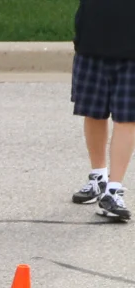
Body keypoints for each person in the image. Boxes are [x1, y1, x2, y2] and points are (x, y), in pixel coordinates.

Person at [72, 0, 135, 221]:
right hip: (92, 43)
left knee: (127, 119)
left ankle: (113, 191)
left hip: (131, 52)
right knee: (93, 112)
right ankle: (99, 176)